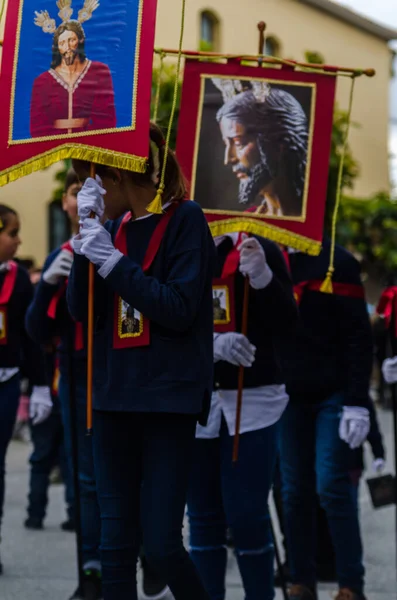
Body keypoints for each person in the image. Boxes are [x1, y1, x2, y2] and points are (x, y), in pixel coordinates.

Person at [66, 122, 214, 600]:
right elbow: (80, 312)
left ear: (113, 177)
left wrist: (113, 263)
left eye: (89, 179)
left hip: (167, 400)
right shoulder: (110, 229)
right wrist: (85, 241)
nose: (85, 192)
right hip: (114, 397)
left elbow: (178, 309)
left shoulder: (186, 219)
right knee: (114, 547)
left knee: (162, 544)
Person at [187, 232, 297, 600]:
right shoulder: (185, 242)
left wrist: (265, 280)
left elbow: (289, 325)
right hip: (198, 399)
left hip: (253, 401)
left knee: (247, 515)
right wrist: (209, 345)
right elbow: (167, 312)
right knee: (201, 520)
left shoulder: (262, 247)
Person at [279, 240, 374, 600]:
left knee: (332, 485)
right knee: (293, 491)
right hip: (288, 393)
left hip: (333, 392)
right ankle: (301, 580)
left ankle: (351, 584)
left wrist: (356, 401)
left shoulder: (339, 262)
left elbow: (358, 336)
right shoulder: (272, 258)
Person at [25, 170, 102, 600]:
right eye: (75, 192)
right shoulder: (62, 252)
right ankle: (91, 567)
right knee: (85, 476)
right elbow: (36, 330)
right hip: (74, 374)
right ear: (66, 205)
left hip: (115, 373)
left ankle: (138, 550)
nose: (83, 198)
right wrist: (49, 283)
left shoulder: (120, 242)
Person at [0, 204, 52, 575]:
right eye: (12, 233)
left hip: (5, 381)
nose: (19, 241)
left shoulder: (18, 278)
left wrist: (39, 386)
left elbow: (31, 338)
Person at [212, 78, 308, 217]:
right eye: (227, 144)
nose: (229, 159)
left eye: (238, 143)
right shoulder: (241, 230)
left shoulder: (312, 234)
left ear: (279, 144)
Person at [31, 4, 116, 138]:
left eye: (71, 40)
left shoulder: (99, 72)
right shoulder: (43, 81)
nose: (67, 47)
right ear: (57, 47)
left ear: (80, 40)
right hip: (54, 151)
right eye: (62, 43)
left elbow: (107, 119)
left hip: (89, 148)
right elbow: (37, 127)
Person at [25, 347, 75, 532]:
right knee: (67, 460)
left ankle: (35, 515)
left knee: (42, 460)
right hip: (59, 397)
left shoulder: (41, 334)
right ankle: (73, 516)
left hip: (47, 396)